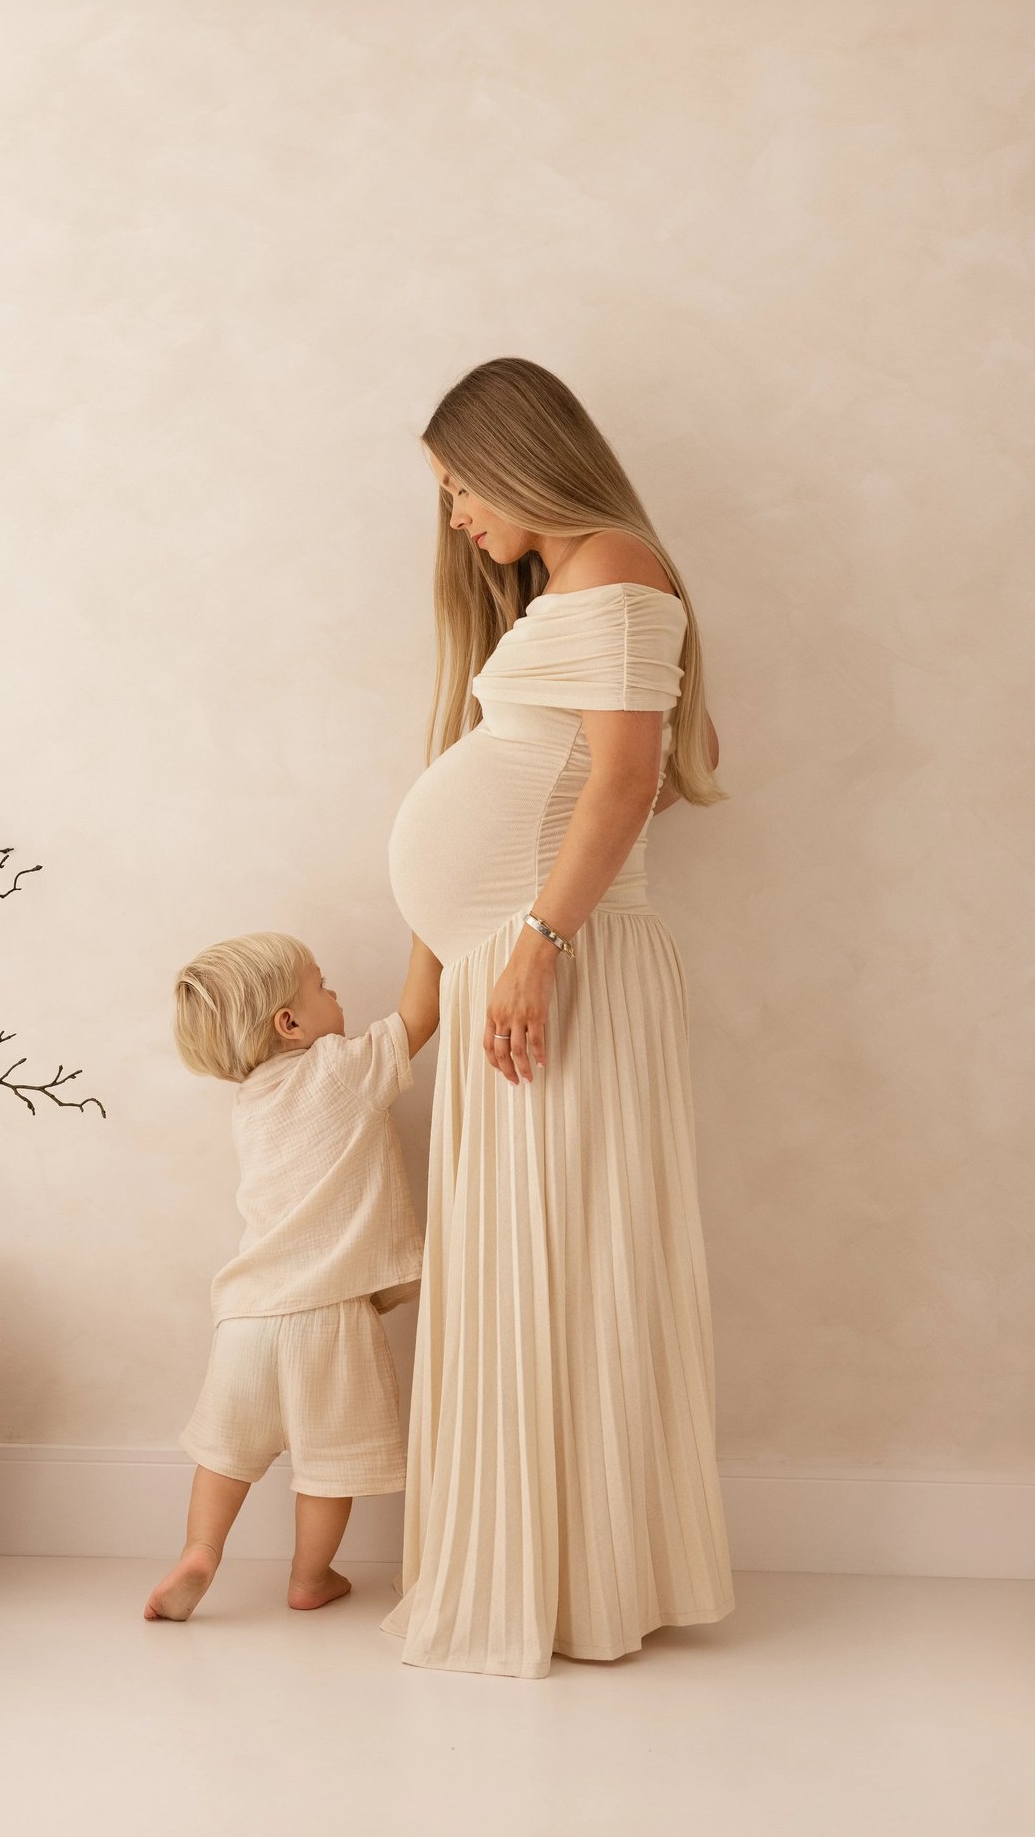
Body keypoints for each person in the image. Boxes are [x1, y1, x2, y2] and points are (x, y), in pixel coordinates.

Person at [384, 357, 736, 1678]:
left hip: (555, 966)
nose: (457, 516)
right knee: (538, 1249)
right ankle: (556, 1567)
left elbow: (629, 778)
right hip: (522, 966)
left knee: (568, 1253)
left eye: (462, 485)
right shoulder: (579, 587)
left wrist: (534, 940)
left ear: (521, 455)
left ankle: (579, 1580)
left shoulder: (618, 567)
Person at [145, 929, 440, 1622]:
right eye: (323, 983)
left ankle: (200, 1548)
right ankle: (310, 1576)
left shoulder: (249, 1104)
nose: (336, 993)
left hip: (246, 1318)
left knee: (226, 1450)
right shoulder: (339, 1068)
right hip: (329, 1314)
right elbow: (420, 1016)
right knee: (328, 1462)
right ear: (291, 1023)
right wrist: (428, 931)